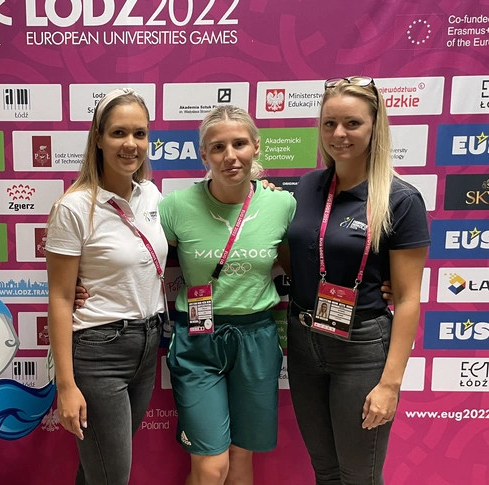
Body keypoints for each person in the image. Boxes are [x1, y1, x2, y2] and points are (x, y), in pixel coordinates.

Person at [286, 76, 430, 485]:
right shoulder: (308, 186)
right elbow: (295, 255)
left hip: (361, 348)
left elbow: (407, 299)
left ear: (374, 126)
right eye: (329, 123)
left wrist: (390, 385)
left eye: (352, 123)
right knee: (325, 471)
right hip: (303, 341)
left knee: (358, 476)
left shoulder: (400, 199)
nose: (339, 134)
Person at [160, 105, 296, 485]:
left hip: (256, 338)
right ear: (204, 155)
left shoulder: (282, 205)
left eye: (239, 144)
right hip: (198, 339)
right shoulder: (174, 207)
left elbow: (299, 267)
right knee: (210, 466)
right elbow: (138, 258)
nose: (230, 156)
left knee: (240, 458)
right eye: (218, 147)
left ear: (256, 146)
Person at [45, 88, 167, 485]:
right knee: (112, 476)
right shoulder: (74, 207)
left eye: (140, 133)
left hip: (147, 347)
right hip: (100, 354)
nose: (131, 144)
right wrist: (66, 386)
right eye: (118, 133)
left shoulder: (152, 195)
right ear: (98, 138)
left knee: (98, 467)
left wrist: (256, 188)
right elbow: (61, 297)